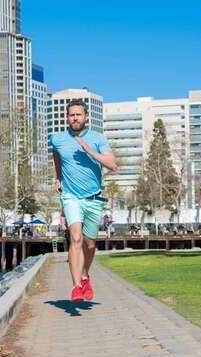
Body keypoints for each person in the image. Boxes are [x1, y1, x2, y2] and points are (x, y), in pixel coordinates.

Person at [50, 98, 117, 302]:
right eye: (72, 115)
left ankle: (85, 275)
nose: (75, 118)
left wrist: (89, 150)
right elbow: (57, 154)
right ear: (67, 117)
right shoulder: (57, 139)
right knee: (76, 238)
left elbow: (112, 165)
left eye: (79, 114)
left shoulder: (98, 138)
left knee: (89, 245)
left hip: (94, 198)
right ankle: (77, 286)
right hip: (71, 197)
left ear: (86, 116)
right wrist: (59, 176)